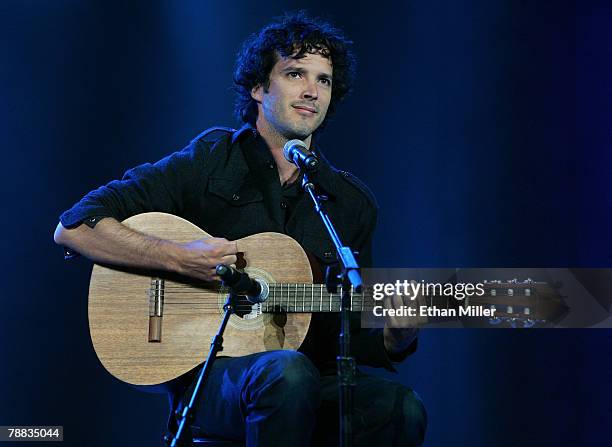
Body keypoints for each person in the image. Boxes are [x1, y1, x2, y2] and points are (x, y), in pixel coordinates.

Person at [54, 11, 426, 447]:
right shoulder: (212, 159)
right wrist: (180, 258)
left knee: (402, 410)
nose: (311, 91)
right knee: (288, 373)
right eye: (295, 73)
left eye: (323, 80)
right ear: (258, 87)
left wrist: (395, 336)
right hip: (213, 377)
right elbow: (76, 226)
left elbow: (348, 329)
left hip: (309, 377)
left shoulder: (351, 203)